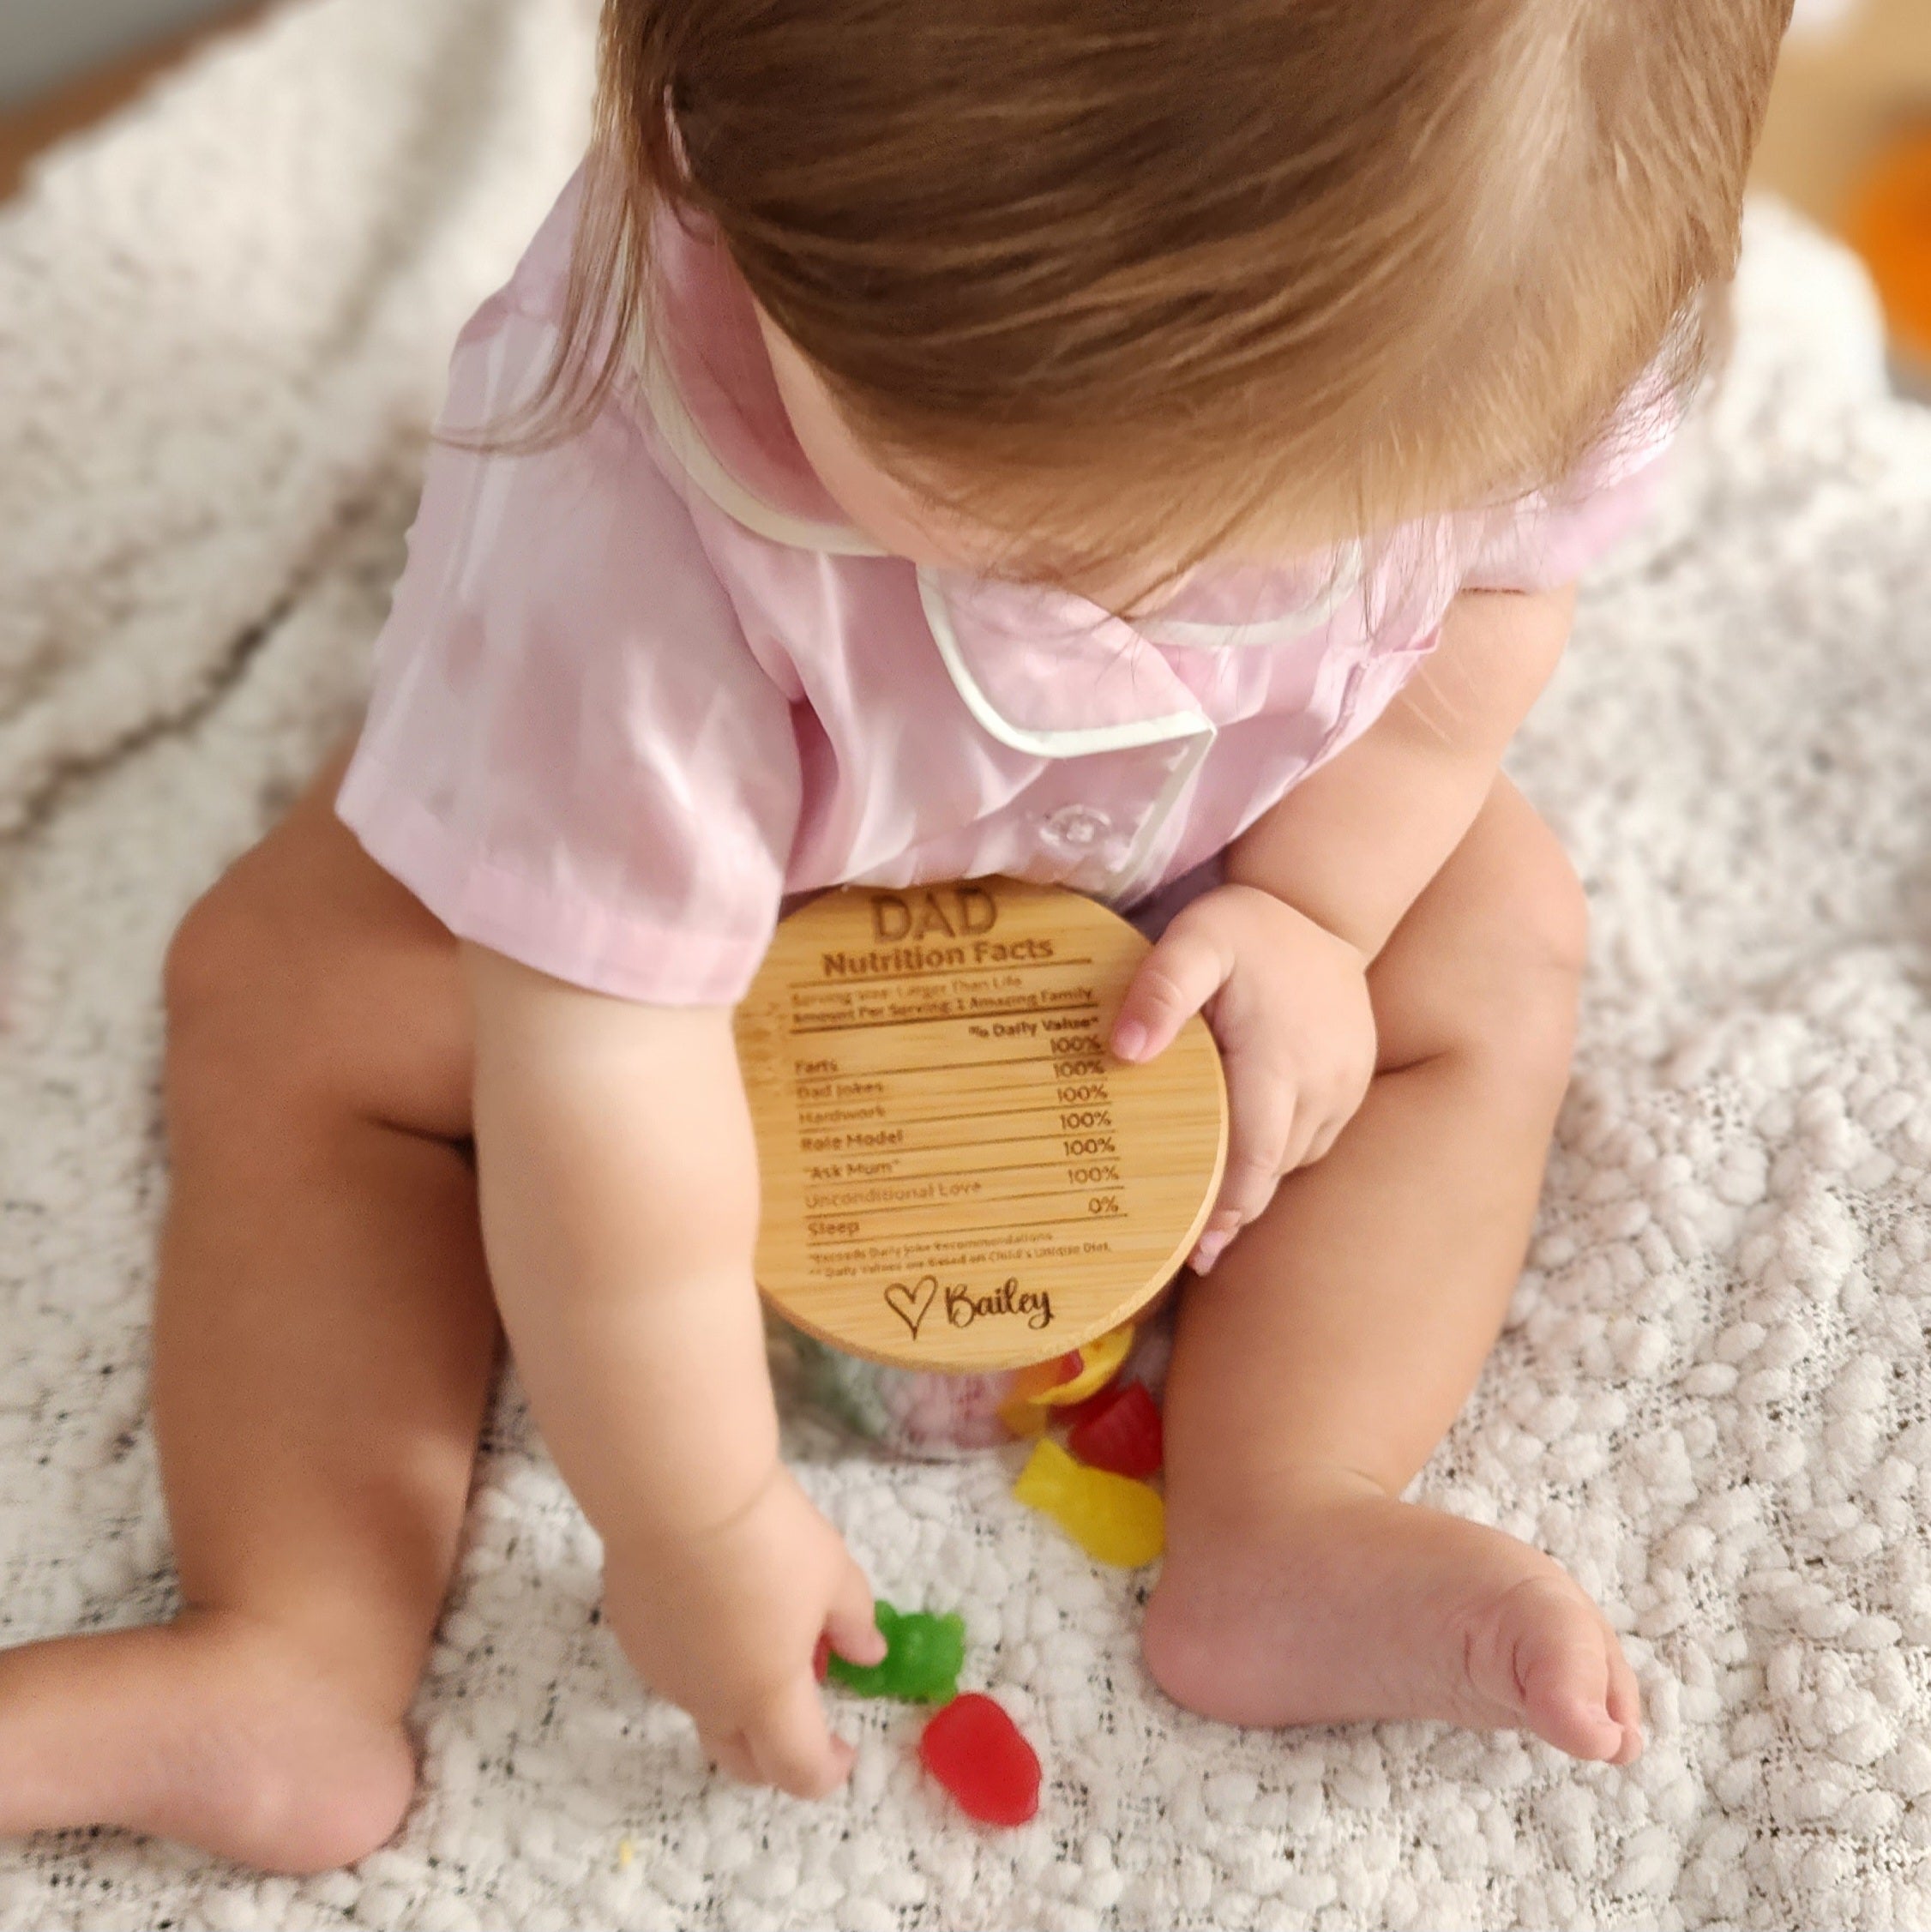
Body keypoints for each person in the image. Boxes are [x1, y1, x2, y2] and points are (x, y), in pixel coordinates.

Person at [0, 0, 1789, 1873]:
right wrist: (690, 1520)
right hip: (698, 890)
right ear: (719, 165)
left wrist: (1317, 908)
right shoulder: (619, 486)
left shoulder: (1533, 292)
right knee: (284, 992)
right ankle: (292, 1645)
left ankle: (1286, 1507)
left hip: (1199, 849)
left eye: (1271, 540)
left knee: (1499, 934)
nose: (1148, 598)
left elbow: (1490, 623)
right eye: (1031, 536)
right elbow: (594, 1080)